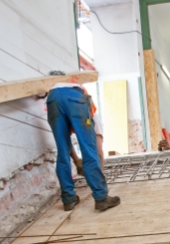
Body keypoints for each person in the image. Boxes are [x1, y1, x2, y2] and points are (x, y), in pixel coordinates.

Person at [45, 71, 120, 212]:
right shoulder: (83, 99)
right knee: (88, 149)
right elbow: (96, 150)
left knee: (62, 152)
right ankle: (101, 198)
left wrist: (75, 160)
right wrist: (99, 173)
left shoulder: (53, 91)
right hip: (74, 98)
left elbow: (66, 147)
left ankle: (68, 199)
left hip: (52, 100)